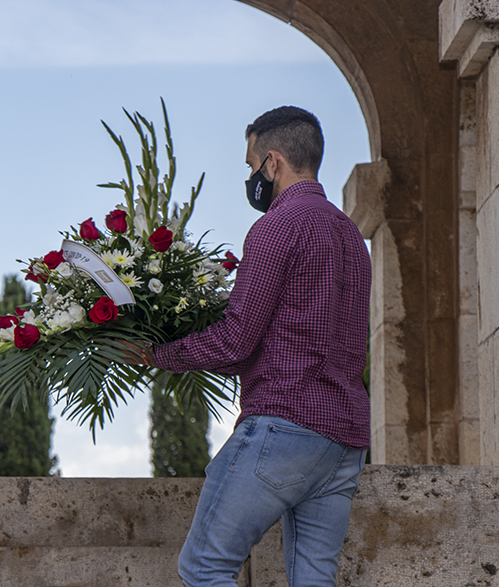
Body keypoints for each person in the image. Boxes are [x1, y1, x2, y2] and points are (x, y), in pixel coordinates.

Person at [131, 106, 371, 587]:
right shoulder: (350, 235)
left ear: (273, 162)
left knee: (203, 567)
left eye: (250, 166)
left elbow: (236, 339)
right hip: (344, 441)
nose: (251, 178)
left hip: (285, 424)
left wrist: (155, 354)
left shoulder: (278, 225)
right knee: (313, 580)